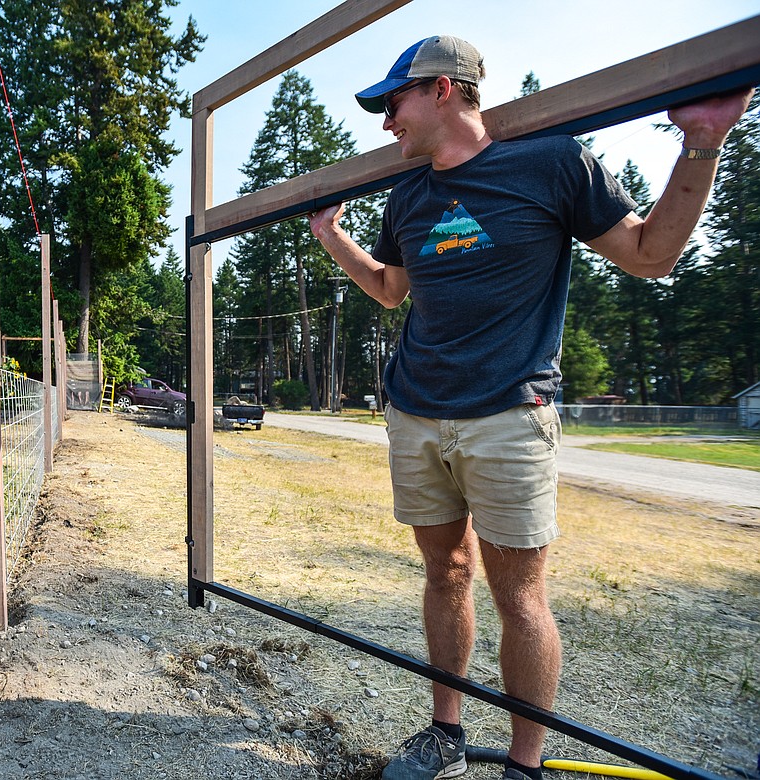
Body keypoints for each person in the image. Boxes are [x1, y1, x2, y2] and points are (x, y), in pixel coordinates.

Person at [307, 35, 753, 780]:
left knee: (520, 596)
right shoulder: (410, 194)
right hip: (417, 413)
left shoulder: (550, 162)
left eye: (394, 103)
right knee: (444, 572)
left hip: (510, 415)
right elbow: (391, 288)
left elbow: (650, 255)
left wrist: (703, 142)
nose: (387, 123)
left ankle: (524, 764)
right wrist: (331, 236)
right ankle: (445, 733)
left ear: (444, 90)